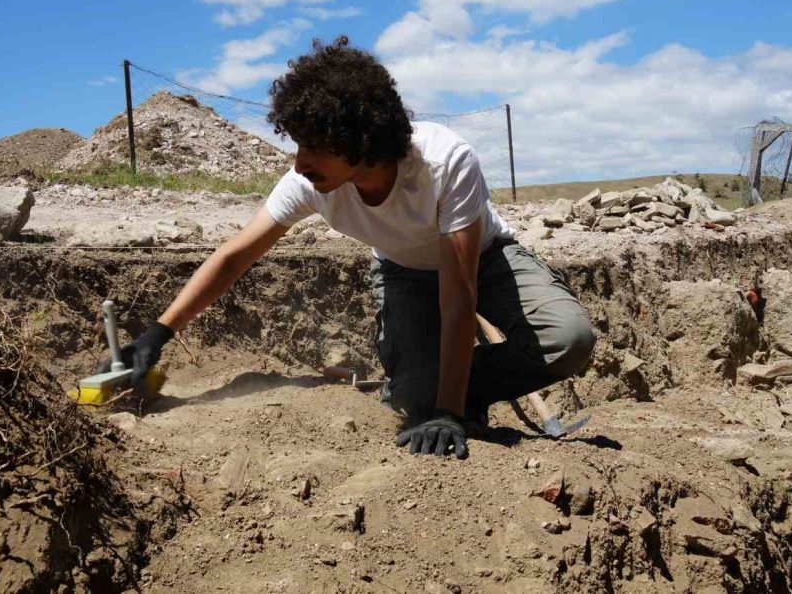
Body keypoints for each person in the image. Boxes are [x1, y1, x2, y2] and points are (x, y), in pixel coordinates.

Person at [106, 36, 596, 459]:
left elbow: (459, 292)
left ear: (361, 141)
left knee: (570, 339)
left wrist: (448, 410)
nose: (299, 163)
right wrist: (157, 334)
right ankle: (431, 389)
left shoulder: (446, 163)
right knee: (413, 402)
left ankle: (459, 394)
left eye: (315, 147)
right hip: (404, 272)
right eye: (297, 144)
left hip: (484, 260)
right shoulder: (311, 184)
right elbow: (236, 256)